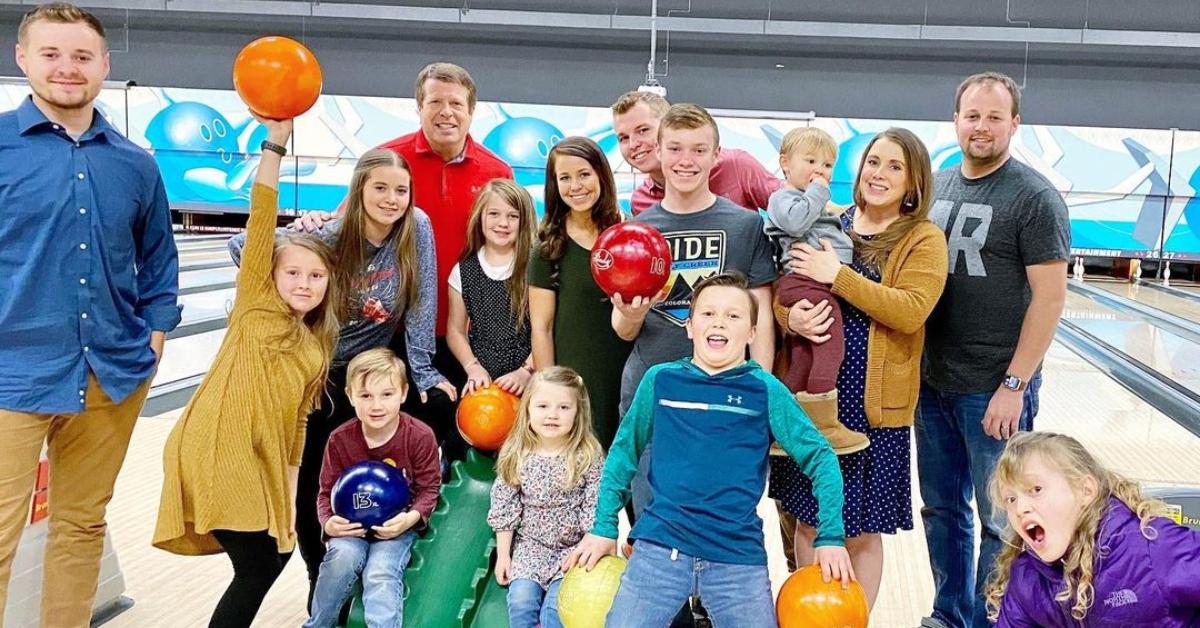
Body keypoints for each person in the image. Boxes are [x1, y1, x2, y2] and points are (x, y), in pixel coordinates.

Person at [0, 5, 180, 625]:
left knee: (81, 524)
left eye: (81, 56)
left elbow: (158, 256)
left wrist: (156, 334)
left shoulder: (134, 163)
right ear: (23, 59)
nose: (67, 68)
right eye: (51, 54)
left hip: (110, 371)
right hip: (12, 372)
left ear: (104, 65)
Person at [568, 273, 852, 627]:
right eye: (708, 314)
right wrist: (603, 527)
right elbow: (624, 454)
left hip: (736, 554)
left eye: (733, 316)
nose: (719, 322)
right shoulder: (660, 380)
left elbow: (821, 458)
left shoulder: (764, 389)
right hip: (661, 545)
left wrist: (830, 536)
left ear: (751, 333)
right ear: (689, 326)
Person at [229, 147, 446, 599]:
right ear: (359, 190)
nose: (391, 199)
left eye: (400, 190)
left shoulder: (416, 228)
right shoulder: (331, 234)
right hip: (318, 374)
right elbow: (240, 247)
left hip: (371, 375)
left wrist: (422, 370)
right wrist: (299, 231)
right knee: (314, 484)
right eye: (380, 188)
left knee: (403, 451)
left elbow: (423, 298)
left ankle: (387, 571)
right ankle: (319, 577)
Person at [153, 115, 341, 628]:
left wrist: (286, 491)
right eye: (293, 273)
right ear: (272, 276)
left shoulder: (315, 346)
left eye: (316, 275)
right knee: (260, 563)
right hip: (218, 445)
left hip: (262, 458)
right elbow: (261, 220)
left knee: (275, 554)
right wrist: (275, 146)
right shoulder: (255, 307)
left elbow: (299, 427)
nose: (305, 284)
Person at [917, 71, 1070, 628]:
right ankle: (948, 614)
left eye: (994, 117)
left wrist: (1014, 385)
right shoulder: (938, 185)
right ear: (956, 120)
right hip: (933, 384)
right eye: (972, 116)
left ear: (1015, 123)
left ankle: (991, 620)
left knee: (1000, 518)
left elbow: (1050, 300)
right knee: (941, 511)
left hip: (994, 386)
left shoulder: (1033, 197)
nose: (981, 127)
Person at [773, 128, 948, 609]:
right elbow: (784, 289)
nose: (880, 173)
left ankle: (852, 620)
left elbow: (911, 309)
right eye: (874, 162)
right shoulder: (831, 222)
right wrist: (792, 318)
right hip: (814, 400)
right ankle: (812, 614)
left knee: (864, 530)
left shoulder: (922, 239)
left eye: (895, 166)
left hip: (872, 411)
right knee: (810, 518)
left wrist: (838, 277)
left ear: (914, 182)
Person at [612, 104, 777, 517]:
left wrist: (763, 386)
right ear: (660, 152)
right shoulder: (637, 231)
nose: (686, 161)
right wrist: (631, 313)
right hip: (653, 393)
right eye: (676, 149)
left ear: (716, 154)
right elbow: (623, 329)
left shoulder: (744, 225)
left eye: (699, 150)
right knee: (653, 524)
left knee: (721, 521)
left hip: (725, 393)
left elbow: (762, 314)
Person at [985, 431, 1200, 627]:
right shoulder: (1028, 579)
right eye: (1011, 499)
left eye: (1036, 489)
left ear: (1085, 490)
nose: (1020, 508)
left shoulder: (1149, 548)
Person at [304, 348, 441, 628]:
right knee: (341, 559)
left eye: (386, 394)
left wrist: (409, 519)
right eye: (366, 396)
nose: (376, 405)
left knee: (379, 572)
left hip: (396, 528)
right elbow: (325, 491)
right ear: (350, 396)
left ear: (403, 394)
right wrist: (328, 523)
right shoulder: (339, 439)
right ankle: (318, 624)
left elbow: (429, 490)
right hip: (351, 527)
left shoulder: (419, 436)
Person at [764, 126, 865, 455]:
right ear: (785, 163)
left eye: (827, 166)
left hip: (816, 282)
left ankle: (786, 426)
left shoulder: (813, 202)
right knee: (830, 348)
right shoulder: (784, 199)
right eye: (811, 161)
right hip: (807, 283)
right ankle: (824, 425)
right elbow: (795, 224)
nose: (820, 172)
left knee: (804, 356)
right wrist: (819, 192)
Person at [528, 137, 631, 449]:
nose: (576, 186)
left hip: (625, 371)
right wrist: (550, 392)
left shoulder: (627, 234)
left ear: (601, 173)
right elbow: (541, 328)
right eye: (565, 178)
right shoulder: (548, 247)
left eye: (584, 174)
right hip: (575, 377)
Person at [487, 366, 604, 628]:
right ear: (528, 410)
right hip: (531, 548)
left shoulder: (587, 455)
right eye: (542, 406)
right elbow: (504, 508)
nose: (552, 415)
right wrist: (504, 556)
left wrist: (587, 548)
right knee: (521, 604)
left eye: (564, 407)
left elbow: (594, 506)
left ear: (578, 412)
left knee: (556, 613)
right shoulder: (516, 454)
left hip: (573, 551)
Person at [611, 91, 781, 215]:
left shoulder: (736, 165)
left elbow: (796, 211)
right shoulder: (641, 202)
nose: (633, 144)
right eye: (623, 138)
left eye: (643, 130)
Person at [447, 179, 537, 397]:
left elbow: (547, 329)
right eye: (494, 214)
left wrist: (526, 371)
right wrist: (472, 367)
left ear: (523, 221)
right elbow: (455, 331)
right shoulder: (463, 271)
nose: (503, 223)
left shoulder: (535, 266)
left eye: (513, 216)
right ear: (481, 217)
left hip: (530, 377)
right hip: (482, 380)